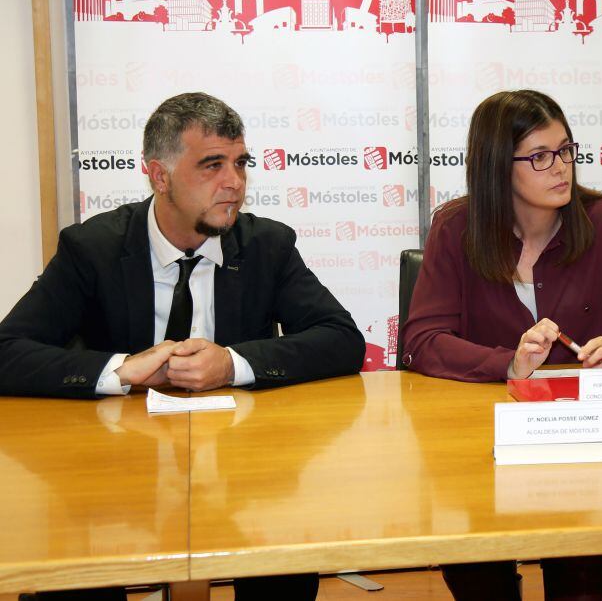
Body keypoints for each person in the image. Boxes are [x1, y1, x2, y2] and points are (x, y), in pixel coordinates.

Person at [0, 92, 366, 601]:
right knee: (72, 576)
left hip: (242, 465)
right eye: (212, 165)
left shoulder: (267, 245)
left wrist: (232, 364)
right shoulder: (93, 248)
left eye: (240, 163)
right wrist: (120, 370)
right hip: (113, 467)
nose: (234, 182)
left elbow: (342, 339)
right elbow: (8, 350)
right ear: (159, 176)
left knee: (285, 559)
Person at [402, 89, 602, 600]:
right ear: (496, 166)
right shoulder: (457, 228)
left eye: (566, 150)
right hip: (480, 440)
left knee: (580, 581)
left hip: (580, 436)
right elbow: (422, 341)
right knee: (479, 577)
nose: (560, 168)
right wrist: (508, 364)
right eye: (539, 156)